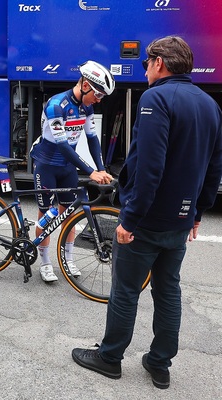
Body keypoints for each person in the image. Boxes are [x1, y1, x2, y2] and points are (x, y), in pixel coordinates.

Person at [71, 36, 222, 389]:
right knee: (168, 290)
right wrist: (198, 212)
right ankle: (159, 363)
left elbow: (149, 166)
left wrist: (129, 219)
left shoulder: (156, 98)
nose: (145, 70)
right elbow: (214, 168)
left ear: (159, 63)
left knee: (125, 290)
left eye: (146, 63)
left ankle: (110, 357)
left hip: (148, 220)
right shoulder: (210, 105)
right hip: (180, 221)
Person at [30, 60, 114, 282]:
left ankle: (67, 260)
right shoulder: (56, 105)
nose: (98, 99)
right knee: (46, 215)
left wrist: (101, 169)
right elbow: (63, 145)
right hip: (47, 166)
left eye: (102, 96)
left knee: (69, 214)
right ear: (85, 84)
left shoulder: (87, 107)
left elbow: (93, 140)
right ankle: (46, 263)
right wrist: (90, 171)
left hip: (67, 168)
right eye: (98, 94)